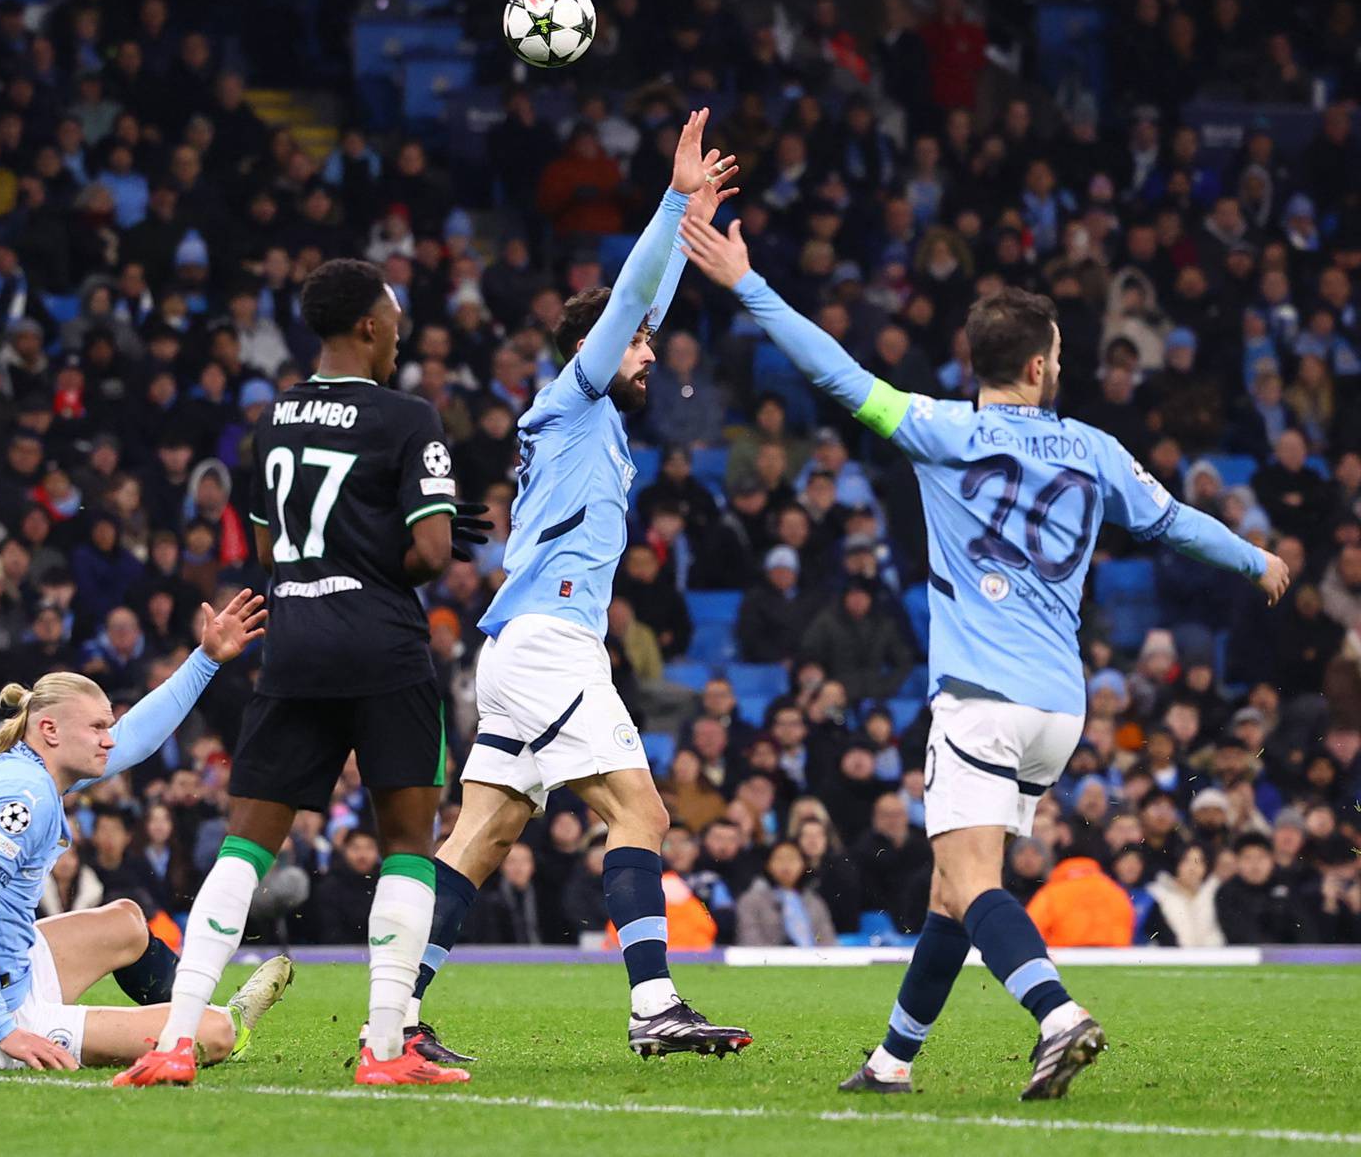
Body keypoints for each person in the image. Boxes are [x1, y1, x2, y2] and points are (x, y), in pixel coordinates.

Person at [676, 213, 1289, 1100]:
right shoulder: (1094, 447)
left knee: (971, 881)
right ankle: (893, 1059)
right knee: (952, 891)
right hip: (1061, 709)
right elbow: (1173, 522)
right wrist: (1255, 555)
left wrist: (745, 281)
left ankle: (1058, 1015)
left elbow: (837, 375)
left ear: (984, 365)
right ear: (1040, 365)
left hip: (979, 698)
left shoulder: (939, 427)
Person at [410, 112, 751, 1065]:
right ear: (601, 345)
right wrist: (674, 199)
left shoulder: (588, 419)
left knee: (486, 829)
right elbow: (632, 299)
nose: (651, 353)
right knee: (641, 813)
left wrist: (686, 236)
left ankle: (393, 1009)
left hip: (524, 644)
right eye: (640, 342)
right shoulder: (575, 393)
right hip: (550, 641)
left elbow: (649, 297)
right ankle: (654, 1004)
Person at [117, 258, 482, 1089]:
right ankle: (386, 1051)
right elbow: (430, 550)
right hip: (383, 647)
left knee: (244, 845)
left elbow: (267, 553)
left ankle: (176, 1039)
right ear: (366, 325)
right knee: (406, 848)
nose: (399, 332)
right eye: (392, 317)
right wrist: (400, 537)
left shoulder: (271, 420)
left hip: (295, 645)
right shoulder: (408, 415)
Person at [0, 591, 293, 1072]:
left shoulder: (10, 762)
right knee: (213, 1036)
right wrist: (5, 1031)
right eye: (97, 727)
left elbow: (132, 740)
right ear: (50, 729)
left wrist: (206, 659)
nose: (110, 737)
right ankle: (220, 1023)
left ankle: (186, 1013)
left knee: (126, 922)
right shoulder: (23, 800)